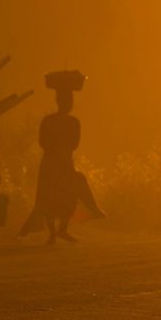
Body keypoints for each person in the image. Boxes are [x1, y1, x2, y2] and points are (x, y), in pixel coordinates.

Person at [19, 75, 104, 244]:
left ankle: (59, 231)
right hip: (57, 162)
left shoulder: (54, 121)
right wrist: (60, 149)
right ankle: (56, 232)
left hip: (56, 162)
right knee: (53, 196)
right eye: (67, 101)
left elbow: (50, 142)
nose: (68, 104)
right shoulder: (71, 122)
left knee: (63, 195)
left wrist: (57, 149)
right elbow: (67, 143)